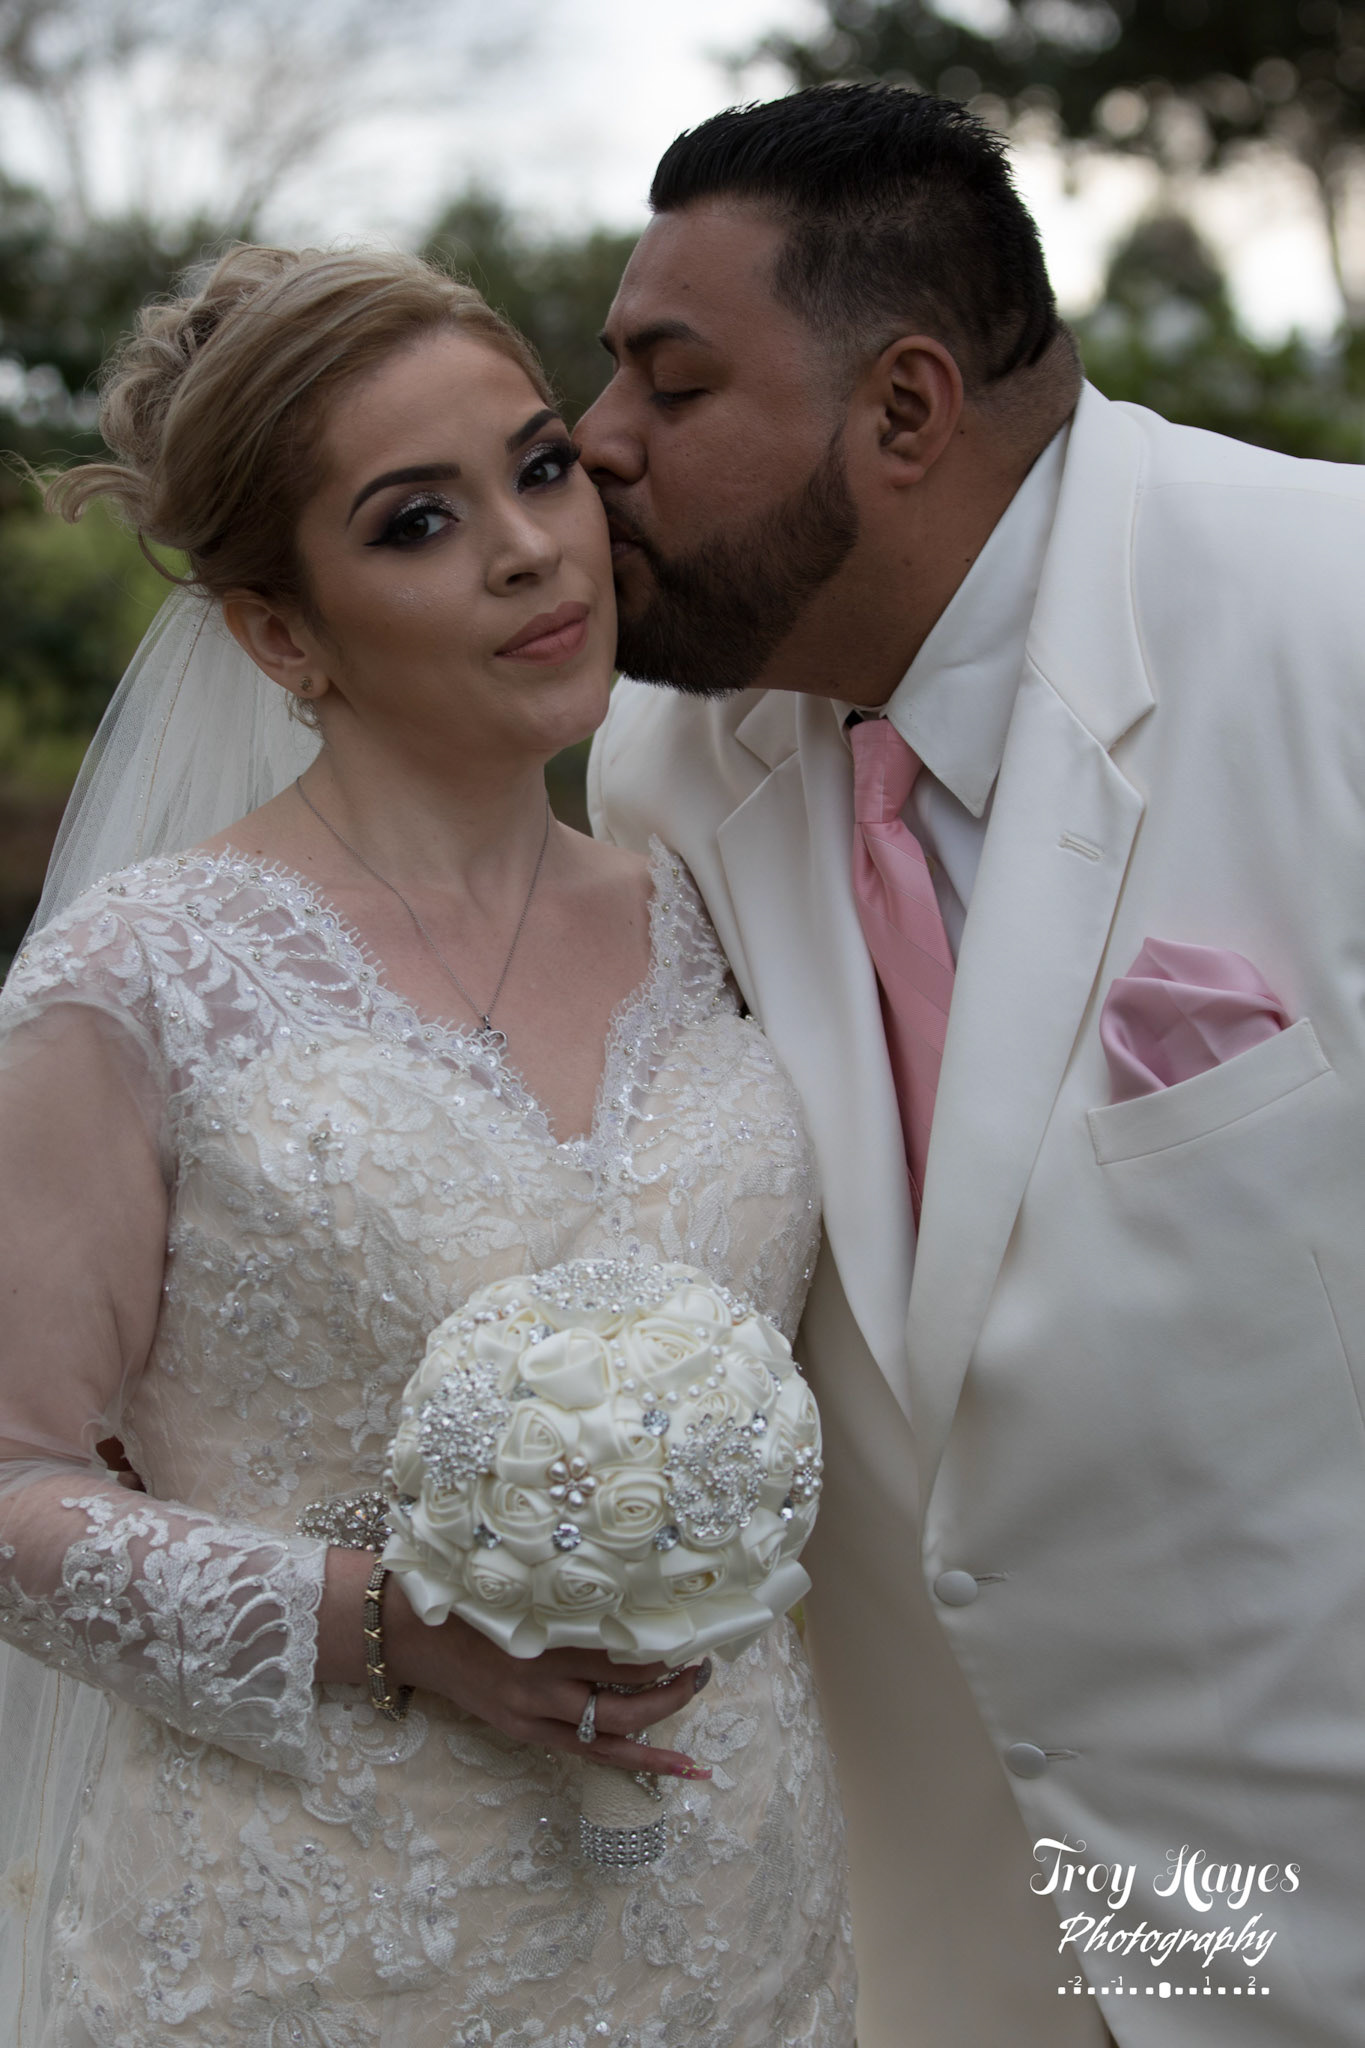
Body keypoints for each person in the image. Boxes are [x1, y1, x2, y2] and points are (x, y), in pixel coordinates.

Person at [0, 244, 856, 2048]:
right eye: (415, 522)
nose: (531, 548)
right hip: (320, 1940)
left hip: (735, 1900)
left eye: (540, 468)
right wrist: (385, 1622)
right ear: (279, 634)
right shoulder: (139, 978)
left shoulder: (711, 913)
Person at [582, 81, 1365, 2048]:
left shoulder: (1329, 618)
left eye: (670, 385)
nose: (593, 444)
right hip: (957, 1936)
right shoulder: (664, 766)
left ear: (906, 409)